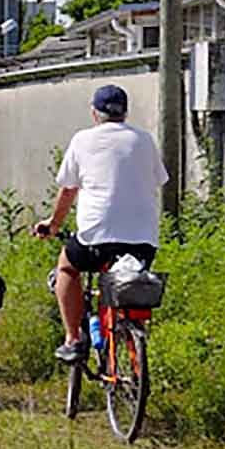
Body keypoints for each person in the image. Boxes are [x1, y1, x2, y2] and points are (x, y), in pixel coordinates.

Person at [34, 84, 168, 363]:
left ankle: (73, 339)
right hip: (144, 240)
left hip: (97, 238)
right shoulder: (144, 140)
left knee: (67, 268)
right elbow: (157, 182)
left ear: (94, 113)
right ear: (125, 113)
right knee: (128, 286)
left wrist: (54, 224)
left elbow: (68, 189)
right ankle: (133, 353)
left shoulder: (83, 140)